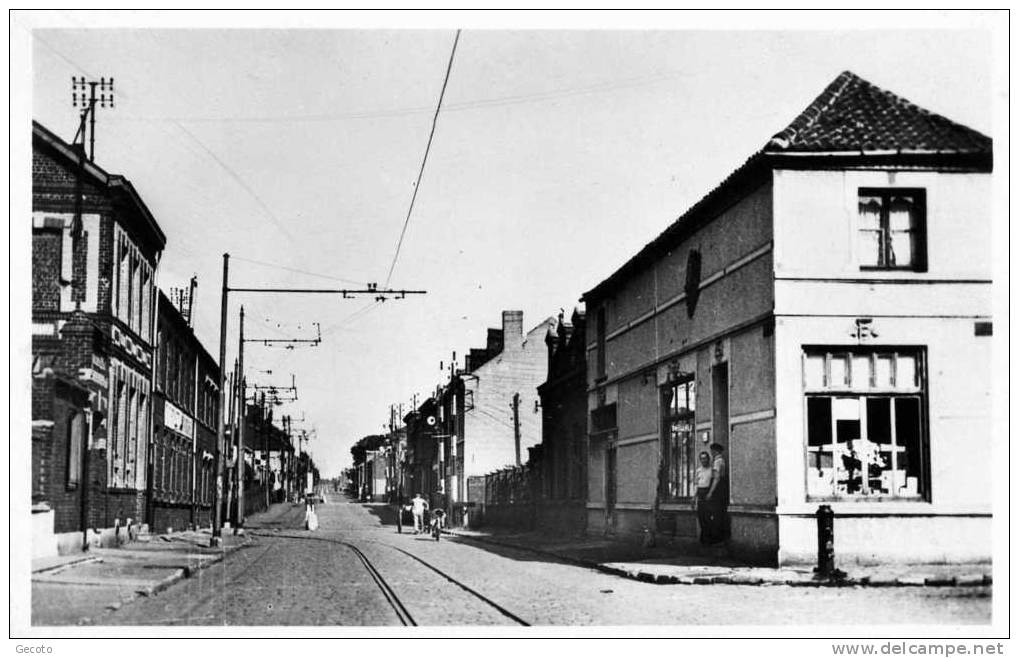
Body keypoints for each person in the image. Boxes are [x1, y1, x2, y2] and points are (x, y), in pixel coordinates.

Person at [706, 443, 729, 544]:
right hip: (723, 487)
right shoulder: (722, 460)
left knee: (716, 513)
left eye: (711, 451)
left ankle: (717, 538)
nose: (711, 453)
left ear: (715, 451)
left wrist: (710, 492)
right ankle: (720, 537)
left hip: (718, 489)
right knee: (720, 512)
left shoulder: (717, 462)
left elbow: (716, 478)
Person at [694, 451, 714, 544]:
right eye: (701, 459)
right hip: (700, 494)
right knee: (701, 516)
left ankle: (708, 538)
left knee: (708, 516)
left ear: (708, 459)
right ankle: (704, 538)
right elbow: (696, 484)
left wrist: (710, 493)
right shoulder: (698, 470)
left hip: (708, 493)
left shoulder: (711, 470)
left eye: (705, 458)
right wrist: (694, 497)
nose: (703, 460)